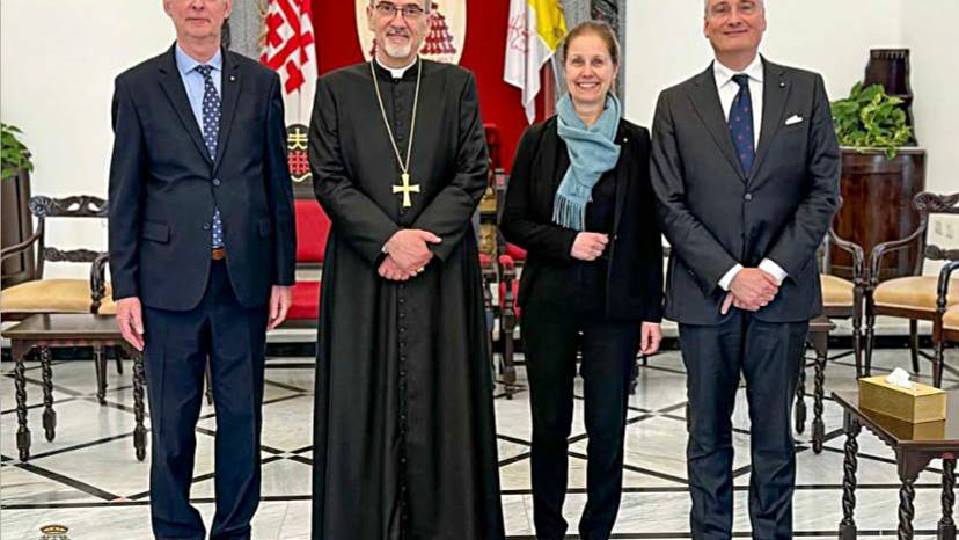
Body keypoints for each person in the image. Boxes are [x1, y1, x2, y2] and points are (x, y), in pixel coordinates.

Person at [307, 1, 505, 538]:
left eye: (412, 10)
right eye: (388, 8)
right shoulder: (336, 89)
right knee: (360, 405)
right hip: (362, 269)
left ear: (427, 21)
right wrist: (387, 241)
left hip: (439, 271)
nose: (399, 20)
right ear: (370, 17)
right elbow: (328, 178)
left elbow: (472, 172)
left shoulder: (456, 86)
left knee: (444, 403)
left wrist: (420, 243)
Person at [649, 1, 840, 537]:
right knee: (706, 435)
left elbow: (823, 192)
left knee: (774, 437)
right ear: (705, 24)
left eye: (745, 6)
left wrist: (771, 271)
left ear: (763, 17)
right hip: (705, 294)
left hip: (783, 294)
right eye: (721, 8)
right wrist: (732, 275)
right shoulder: (675, 103)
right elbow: (668, 202)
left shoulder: (805, 90)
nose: (734, 17)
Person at [108, 0, 295, 538]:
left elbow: (276, 185)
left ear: (227, 7)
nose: (198, 5)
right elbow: (125, 193)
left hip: (243, 280)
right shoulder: (137, 87)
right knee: (172, 424)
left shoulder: (261, 83)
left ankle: (234, 529)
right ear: (167, 6)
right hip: (167, 285)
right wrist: (126, 287)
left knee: (242, 420)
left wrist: (282, 273)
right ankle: (175, 529)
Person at [500, 21, 664, 540]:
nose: (587, 72)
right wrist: (565, 241)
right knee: (549, 425)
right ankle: (548, 528)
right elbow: (512, 221)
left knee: (607, 428)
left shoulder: (637, 142)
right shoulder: (538, 139)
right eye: (577, 61)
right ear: (563, 68)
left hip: (615, 308)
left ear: (614, 69)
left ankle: (598, 530)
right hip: (549, 302)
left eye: (598, 61)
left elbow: (648, 231)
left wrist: (651, 311)